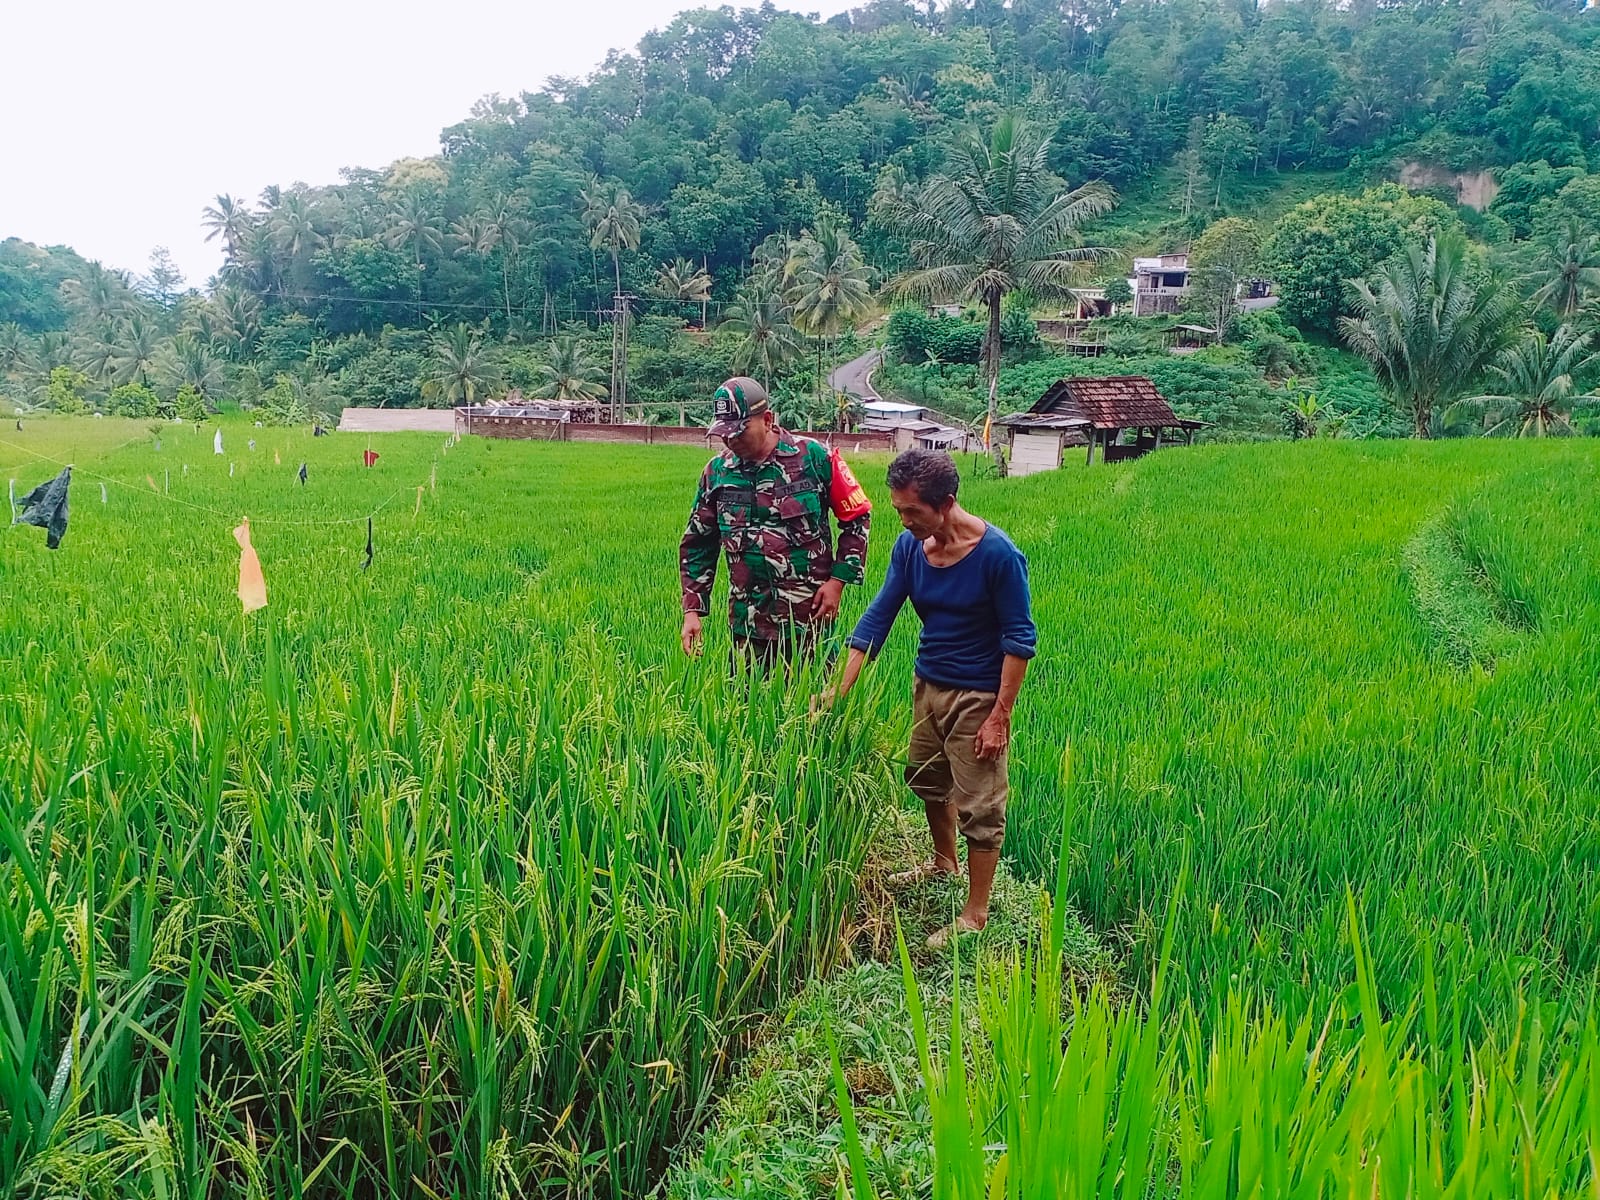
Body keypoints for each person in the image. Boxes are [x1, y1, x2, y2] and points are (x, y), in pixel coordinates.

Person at [820, 449, 1036, 946]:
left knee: (981, 806)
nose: (904, 520)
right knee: (925, 779)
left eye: (912, 511)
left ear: (947, 503)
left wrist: (1000, 716)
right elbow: (878, 618)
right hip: (927, 684)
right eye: (898, 510)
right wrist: (838, 690)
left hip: (978, 695)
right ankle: (943, 862)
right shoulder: (910, 547)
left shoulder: (999, 556)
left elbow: (1020, 640)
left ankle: (975, 913)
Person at [680, 376, 872, 669]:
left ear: (767, 420)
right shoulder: (717, 472)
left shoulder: (814, 457)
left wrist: (837, 582)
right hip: (748, 623)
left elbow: (856, 517)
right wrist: (692, 611)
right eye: (724, 433)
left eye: (739, 432)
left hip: (809, 621)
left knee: (815, 696)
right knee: (746, 698)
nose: (730, 440)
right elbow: (698, 543)